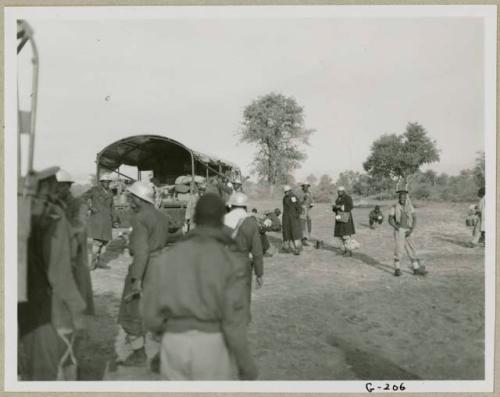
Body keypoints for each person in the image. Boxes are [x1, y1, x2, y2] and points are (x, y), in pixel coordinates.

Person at [142, 193, 258, 380]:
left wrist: (164, 336)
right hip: (212, 344)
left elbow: (149, 313)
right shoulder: (231, 262)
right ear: (221, 220)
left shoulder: (166, 258)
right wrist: (245, 363)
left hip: (174, 343)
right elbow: (234, 321)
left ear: (195, 218)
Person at [19, 168, 87, 380]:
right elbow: (60, 276)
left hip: (23, 305)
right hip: (48, 309)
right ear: (48, 188)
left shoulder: (18, 214)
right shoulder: (53, 219)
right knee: (49, 371)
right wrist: (78, 307)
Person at [117, 181, 172, 367]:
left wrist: (136, 280)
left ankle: (139, 355)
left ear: (140, 199)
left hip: (145, 269)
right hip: (162, 268)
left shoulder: (139, 218)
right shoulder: (162, 216)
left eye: (132, 197)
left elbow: (141, 252)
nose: (129, 201)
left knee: (131, 311)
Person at [55, 169, 95, 316]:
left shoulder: (79, 204)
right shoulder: (55, 204)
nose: (55, 190)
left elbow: (79, 227)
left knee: (78, 286)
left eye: (58, 186)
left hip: (75, 253)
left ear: (67, 186)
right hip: (58, 255)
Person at [225, 192, 264, 320]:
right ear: (245, 207)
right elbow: (257, 251)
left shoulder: (222, 220)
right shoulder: (251, 222)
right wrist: (259, 273)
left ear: (231, 205)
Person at [388, 188, 427, 277]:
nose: (402, 199)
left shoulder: (410, 207)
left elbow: (415, 218)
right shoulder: (394, 207)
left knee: (411, 249)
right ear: (399, 198)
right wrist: (396, 227)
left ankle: (416, 269)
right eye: (401, 197)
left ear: (406, 198)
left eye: (404, 197)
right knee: (399, 249)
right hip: (399, 230)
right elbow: (390, 219)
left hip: (408, 230)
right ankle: (397, 270)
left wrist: (411, 229)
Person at [82, 173, 115, 270]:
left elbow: (112, 207)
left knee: (104, 242)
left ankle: (99, 262)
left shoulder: (110, 192)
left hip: (107, 220)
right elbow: (82, 197)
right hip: (97, 219)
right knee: (97, 242)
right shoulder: (94, 190)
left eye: (108, 182)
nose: (107, 183)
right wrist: (90, 207)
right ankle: (92, 264)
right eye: (105, 181)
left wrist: (114, 219)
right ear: (101, 182)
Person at [332, 186, 356, 256]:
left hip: (346, 218)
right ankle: (343, 250)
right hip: (339, 218)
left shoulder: (348, 198)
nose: (339, 192)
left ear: (344, 191)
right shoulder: (338, 199)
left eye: (341, 191)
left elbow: (350, 207)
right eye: (338, 191)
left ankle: (349, 251)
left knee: (346, 235)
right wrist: (334, 207)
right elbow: (335, 209)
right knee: (340, 235)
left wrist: (340, 207)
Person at [281, 185, 302, 255]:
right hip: (286, 218)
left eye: (287, 191)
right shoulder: (284, 198)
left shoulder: (293, 197)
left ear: (290, 191)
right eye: (285, 192)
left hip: (293, 218)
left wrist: (296, 216)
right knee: (286, 233)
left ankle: (297, 249)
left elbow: (299, 207)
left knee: (295, 233)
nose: (286, 193)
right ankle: (287, 247)